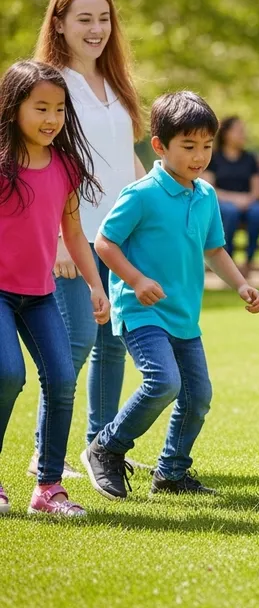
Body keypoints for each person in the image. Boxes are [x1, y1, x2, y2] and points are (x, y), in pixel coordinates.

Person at [81, 92, 259, 500]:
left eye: (207, 146)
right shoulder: (142, 193)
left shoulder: (205, 196)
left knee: (198, 396)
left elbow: (214, 249)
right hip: (140, 310)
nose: (200, 156)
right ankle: (106, 448)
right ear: (160, 146)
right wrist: (137, 280)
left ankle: (171, 472)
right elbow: (105, 242)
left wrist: (241, 285)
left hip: (183, 315)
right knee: (163, 381)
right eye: (189, 146)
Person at [33, 0, 146, 478]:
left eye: (103, 18)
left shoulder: (116, 82)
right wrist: (58, 237)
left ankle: (101, 446)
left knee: (113, 342)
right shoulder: (50, 84)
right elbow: (41, 162)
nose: (96, 28)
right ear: (59, 23)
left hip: (120, 236)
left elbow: (126, 158)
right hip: (72, 237)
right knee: (75, 342)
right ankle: (44, 452)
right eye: (84, 18)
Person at [0, 61, 110, 517]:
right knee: (8, 374)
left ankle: (48, 488)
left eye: (59, 109)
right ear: (13, 107)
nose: (51, 119)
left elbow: (73, 231)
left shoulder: (66, 166)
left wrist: (94, 284)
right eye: (40, 107)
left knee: (63, 379)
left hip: (40, 294)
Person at [205, 116, 259, 276]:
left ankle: (248, 261)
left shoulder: (249, 158)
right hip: (223, 202)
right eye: (238, 131)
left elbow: (256, 188)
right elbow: (210, 188)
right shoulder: (214, 158)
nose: (242, 134)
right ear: (226, 134)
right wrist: (235, 199)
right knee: (229, 212)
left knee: (257, 213)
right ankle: (227, 263)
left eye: (243, 131)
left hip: (248, 202)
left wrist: (248, 199)